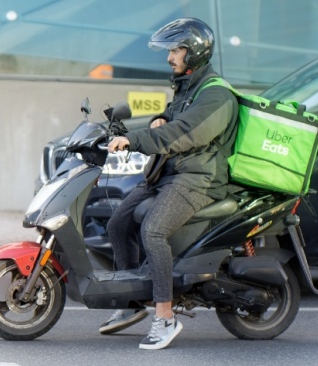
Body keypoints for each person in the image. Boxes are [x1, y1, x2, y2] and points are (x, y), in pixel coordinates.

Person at [102, 17, 238, 350]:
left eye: (176, 49)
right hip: (168, 172)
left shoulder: (217, 95)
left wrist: (134, 139)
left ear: (194, 52)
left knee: (153, 230)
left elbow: (184, 133)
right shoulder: (187, 85)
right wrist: (156, 119)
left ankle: (165, 316)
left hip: (199, 180)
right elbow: (170, 121)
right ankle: (131, 302)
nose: (169, 57)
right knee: (117, 224)